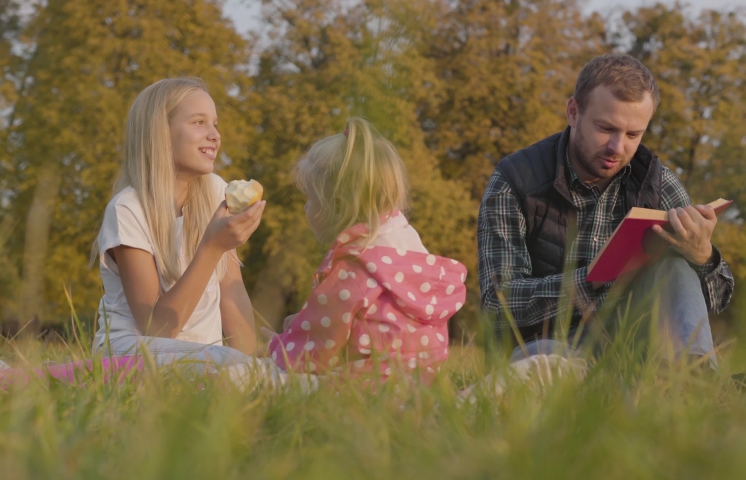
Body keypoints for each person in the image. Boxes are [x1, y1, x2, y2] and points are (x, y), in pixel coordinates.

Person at [477, 54, 734, 365]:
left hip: (632, 340)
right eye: (605, 128)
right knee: (551, 367)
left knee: (677, 267)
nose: (617, 147)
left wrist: (703, 257)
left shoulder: (657, 181)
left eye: (633, 135)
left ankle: (696, 381)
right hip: (544, 346)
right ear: (573, 112)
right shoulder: (515, 180)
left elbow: (717, 301)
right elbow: (497, 302)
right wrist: (593, 282)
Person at [266, 118, 467, 381]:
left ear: (336, 206)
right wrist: (302, 322)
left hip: (362, 386)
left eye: (310, 198)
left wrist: (278, 346)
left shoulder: (355, 263)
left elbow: (313, 354)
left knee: (243, 373)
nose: (305, 207)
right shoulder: (409, 247)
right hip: (419, 385)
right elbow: (368, 320)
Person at [91, 77, 263, 371]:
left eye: (215, 124)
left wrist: (258, 356)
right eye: (199, 122)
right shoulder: (128, 209)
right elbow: (157, 329)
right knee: (230, 365)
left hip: (205, 356)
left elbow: (232, 294)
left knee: (257, 367)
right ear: (160, 133)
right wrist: (211, 248)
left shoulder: (216, 193)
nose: (215, 135)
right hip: (131, 353)